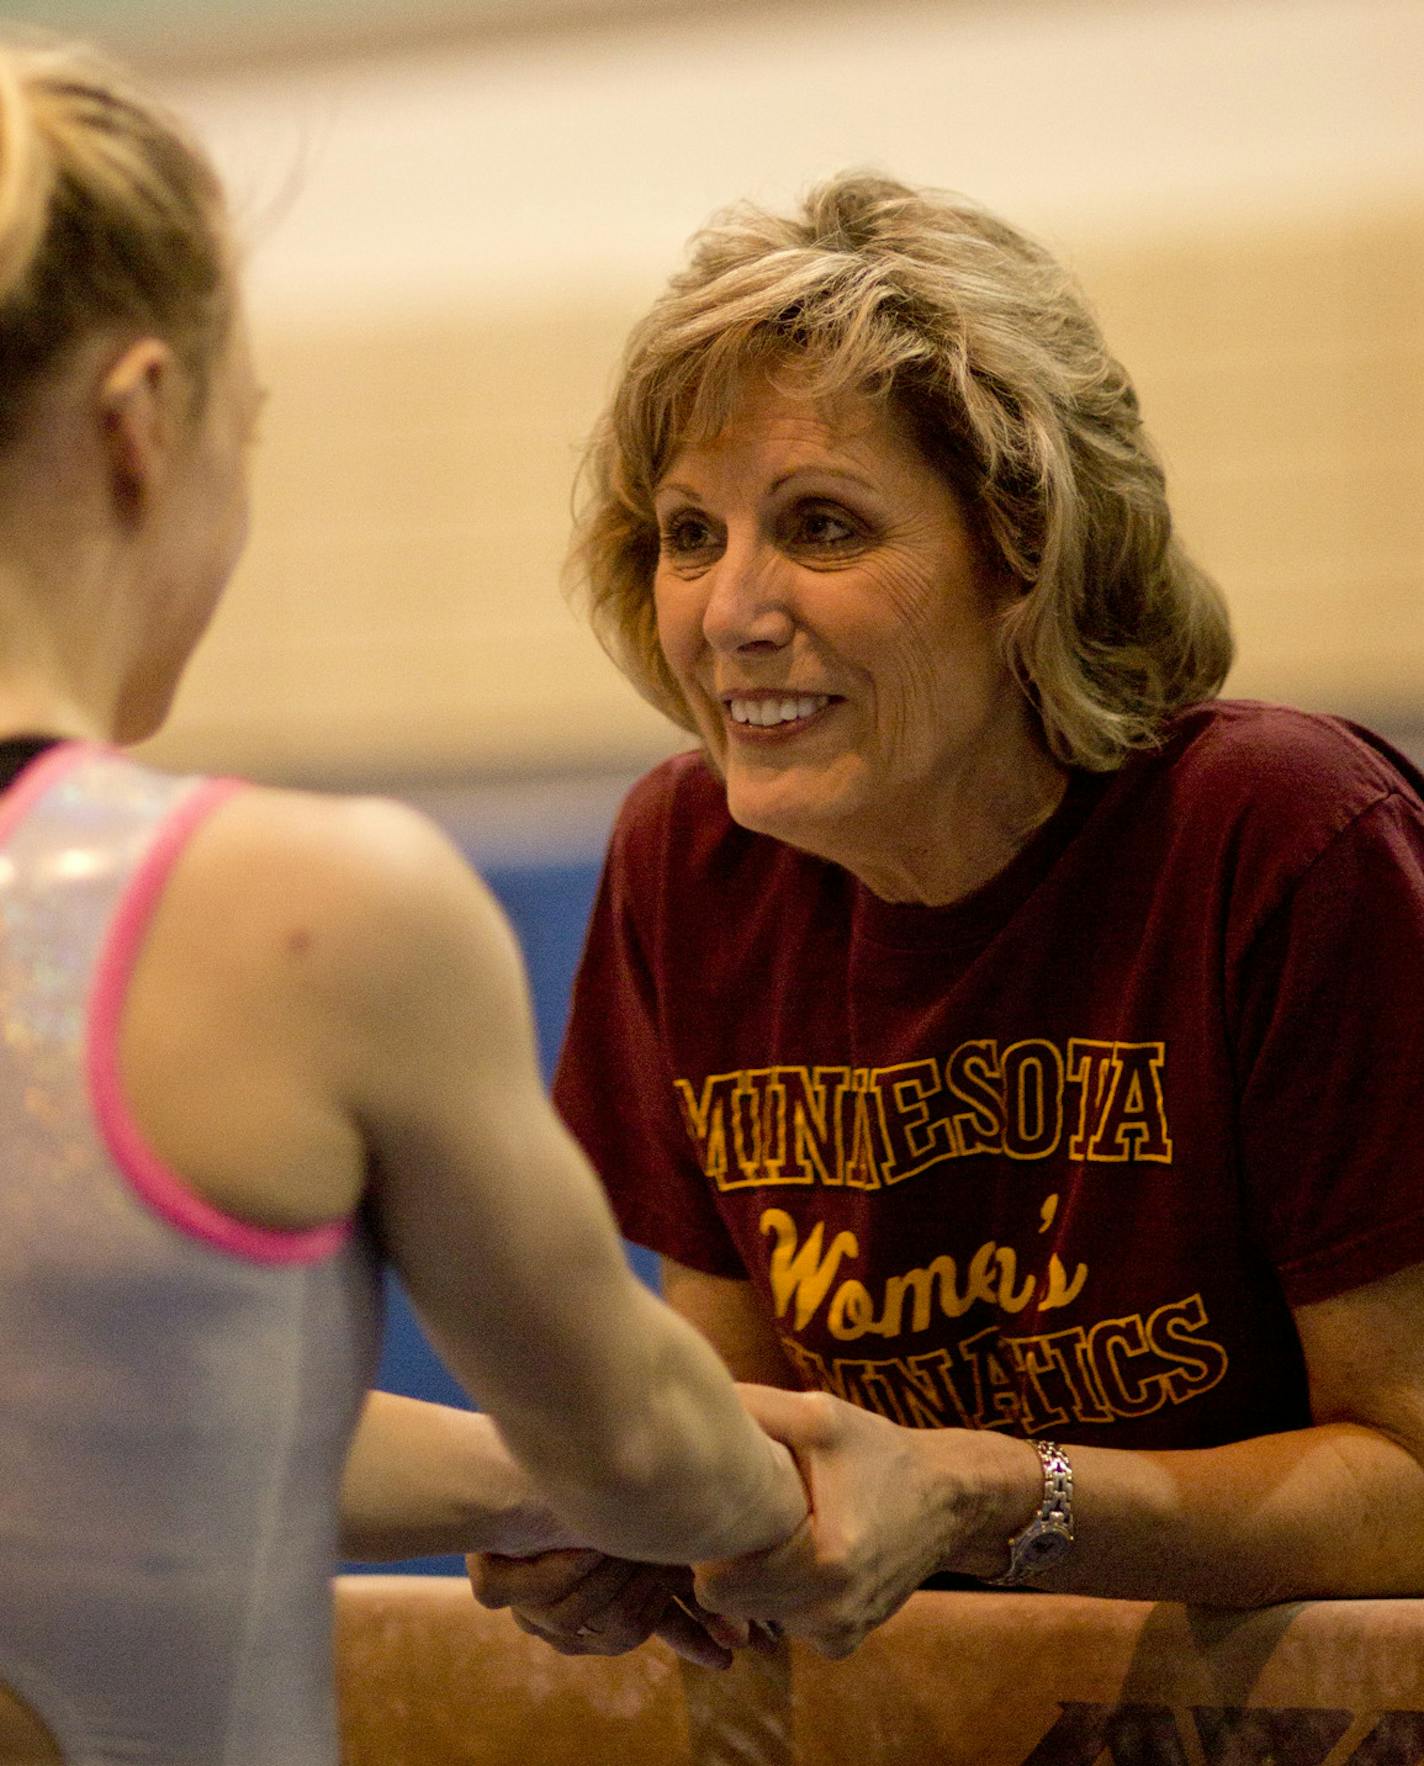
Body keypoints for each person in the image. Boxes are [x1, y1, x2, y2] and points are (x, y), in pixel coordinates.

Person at [470, 171, 1424, 1662]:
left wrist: (993, 1495)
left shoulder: (1285, 840)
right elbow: (755, 1447)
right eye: (690, 533)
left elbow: (1413, 1476)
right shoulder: (685, 862)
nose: (732, 609)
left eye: (824, 526)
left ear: (1027, 552)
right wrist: (654, 1526)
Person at [0, 39, 809, 1764]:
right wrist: (802, 1488)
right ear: (142, 426)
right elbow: (632, 1440)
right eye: (246, 434)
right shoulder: (305, 913)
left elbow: (138, 1418)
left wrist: (518, 1483)